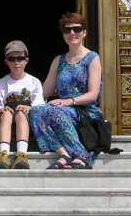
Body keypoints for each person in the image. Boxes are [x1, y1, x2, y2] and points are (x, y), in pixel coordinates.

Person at [28, 12, 103, 170]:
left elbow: (93, 94)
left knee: (56, 112)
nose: (72, 33)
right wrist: (25, 101)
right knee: (35, 112)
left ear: (84, 32)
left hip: (85, 109)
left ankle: (82, 155)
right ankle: (64, 154)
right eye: (67, 30)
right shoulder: (58, 60)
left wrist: (69, 101)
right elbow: (45, 91)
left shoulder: (92, 58)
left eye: (77, 29)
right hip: (62, 108)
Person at [0, 39, 45, 170]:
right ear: (6, 62)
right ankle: (4, 153)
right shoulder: (1, 83)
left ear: (26, 60)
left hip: (27, 119)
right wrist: (2, 110)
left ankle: (21, 154)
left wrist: (29, 107)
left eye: (20, 58)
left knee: (20, 113)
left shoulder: (34, 82)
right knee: (7, 114)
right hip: (6, 120)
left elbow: (40, 104)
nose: (16, 62)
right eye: (12, 58)